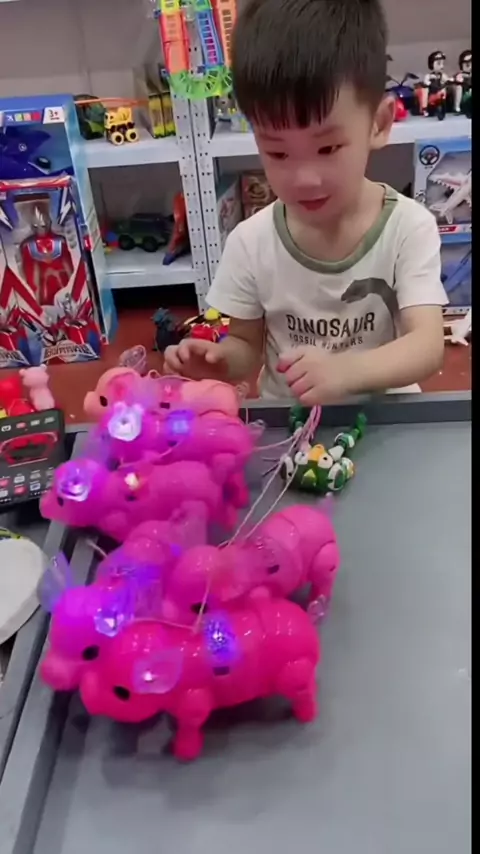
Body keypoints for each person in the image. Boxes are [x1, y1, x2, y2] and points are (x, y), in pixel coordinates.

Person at [165, 0, 446, 403]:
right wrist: (219, 362)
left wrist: (347, 372)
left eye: (328, 148)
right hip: (291, 423)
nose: (304, 179)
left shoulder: (408, 228)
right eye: (278, 153)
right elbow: (246, 346)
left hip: (386, 418)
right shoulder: (251, 243)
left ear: (379, 123)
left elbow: (427, 346)